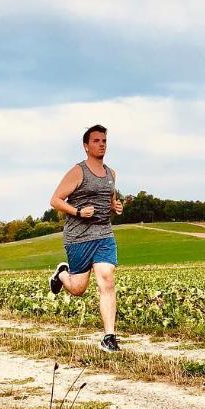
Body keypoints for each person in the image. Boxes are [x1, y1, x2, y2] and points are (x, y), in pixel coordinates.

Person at [48, 124, 124, 352]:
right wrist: (79, 212)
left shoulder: (111, 173)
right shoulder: (78, 171)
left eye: (104, 141)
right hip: (78, 236)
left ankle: (109, 336)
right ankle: (62, 273)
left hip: (103, 234)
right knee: (79, 288)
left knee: (107, 278)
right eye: (96, 141)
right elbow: (55, 200)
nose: (101, 144)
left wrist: (114, 206)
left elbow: (107, 200)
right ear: (86, 146)